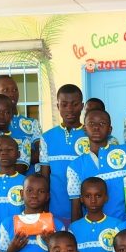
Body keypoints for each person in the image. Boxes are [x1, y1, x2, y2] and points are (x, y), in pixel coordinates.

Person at [68, 108, 126, 221]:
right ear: (85, 129)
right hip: (96, 232)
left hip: (125, 229)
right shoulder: (75, 166)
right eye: (91, 123)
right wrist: (75, 232)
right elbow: (76, 208)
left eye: (102, 123)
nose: (96, 127)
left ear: (110, 130)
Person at [38, 84, 87, 222]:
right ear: (58, 106)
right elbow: (45, 176)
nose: (70, 109)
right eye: (64, 104)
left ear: (82, 106)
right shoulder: (47, 137)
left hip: (87, 212)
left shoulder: (91, 135)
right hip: (55, 211)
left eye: (75, 104)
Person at [0, 173, 60, 252]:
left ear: (47, 196)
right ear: (22, 194)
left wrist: (52, 244)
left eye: (41, 191)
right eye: (29, 190)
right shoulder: (7, 224)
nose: (34, 195)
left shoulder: (58, 225)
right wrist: (12, 250)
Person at [69, 178, 122, 252]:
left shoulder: (117, 226)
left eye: (98, 195)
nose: (93, 200)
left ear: (106, 198)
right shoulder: (74, 228)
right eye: (88, 196)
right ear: (81, 199)